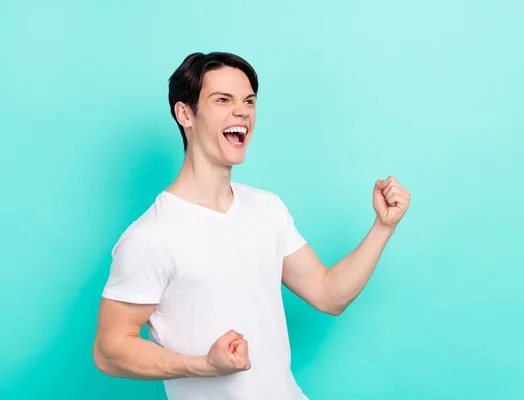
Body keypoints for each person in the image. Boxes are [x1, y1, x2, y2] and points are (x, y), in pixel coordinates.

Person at [93, 52, 411, 400]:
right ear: (185, 113)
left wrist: (383, 227)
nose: (242, 111)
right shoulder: (150, 237)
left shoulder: (267, 208)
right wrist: (204, 365)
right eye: (223, 100)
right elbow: (109, 350)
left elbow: (328, 294)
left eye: (249, 101)